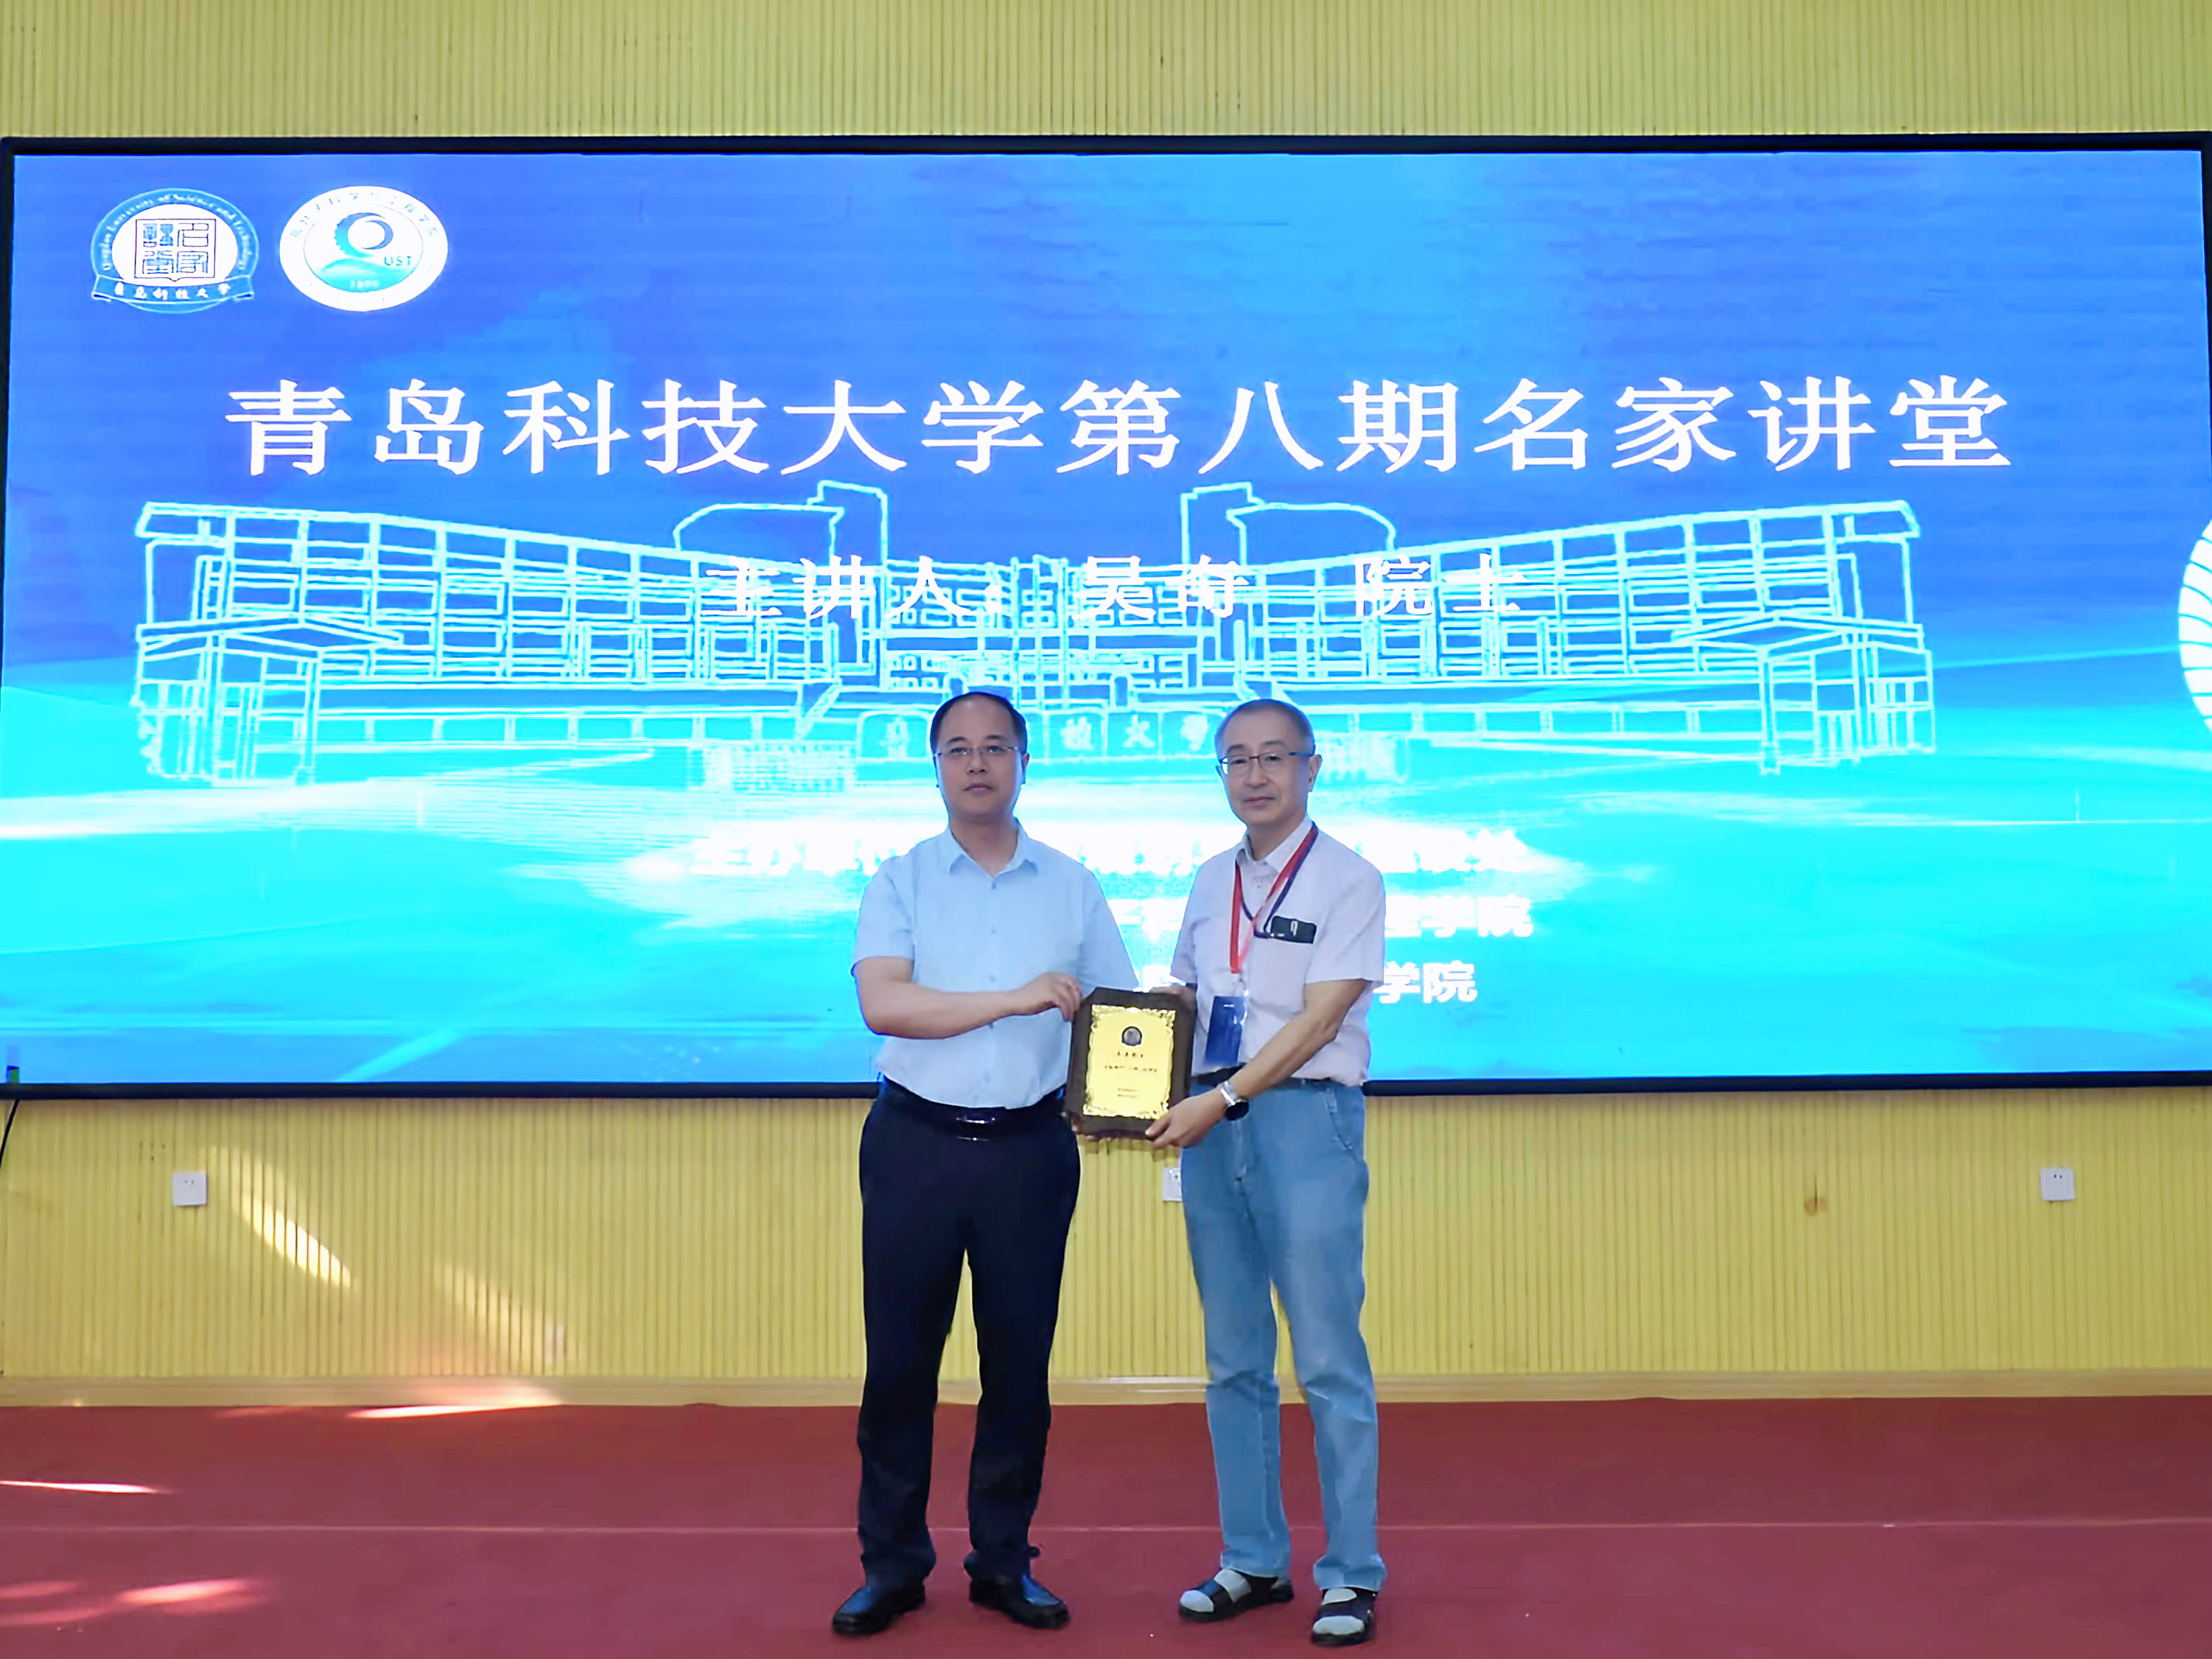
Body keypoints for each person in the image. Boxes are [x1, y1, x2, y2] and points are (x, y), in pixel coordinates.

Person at [832, 690, 1136, 1638]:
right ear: (935, 767)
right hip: (915, 1146)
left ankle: (1004, 1563)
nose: (977, 763)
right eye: (958, 749)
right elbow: (886, 1006)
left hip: (1029, 1153)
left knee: (1018, 1371)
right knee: (900, 1369)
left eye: (995, 747)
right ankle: (891, 1568)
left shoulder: (1073, 886)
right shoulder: (900, 881)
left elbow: (1120, 1014)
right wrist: (1011, 1000)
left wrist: (1122, 1100)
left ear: (1023, 763)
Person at [1147, 698, 1388, 1649]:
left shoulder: (1349, 878)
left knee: (1326, 1357)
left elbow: (1322, 1019)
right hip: (1213, 1126)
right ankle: (1252, 1559)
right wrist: (1121, 1056)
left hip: (1303, 1121)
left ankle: (1352, 1573)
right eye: (1237, 760)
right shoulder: (1210, 879)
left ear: (1312, 768)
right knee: (1233, 1357)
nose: (1255, 775)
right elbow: (1186, 995)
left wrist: (1222, 1098)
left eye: (1274, 758)